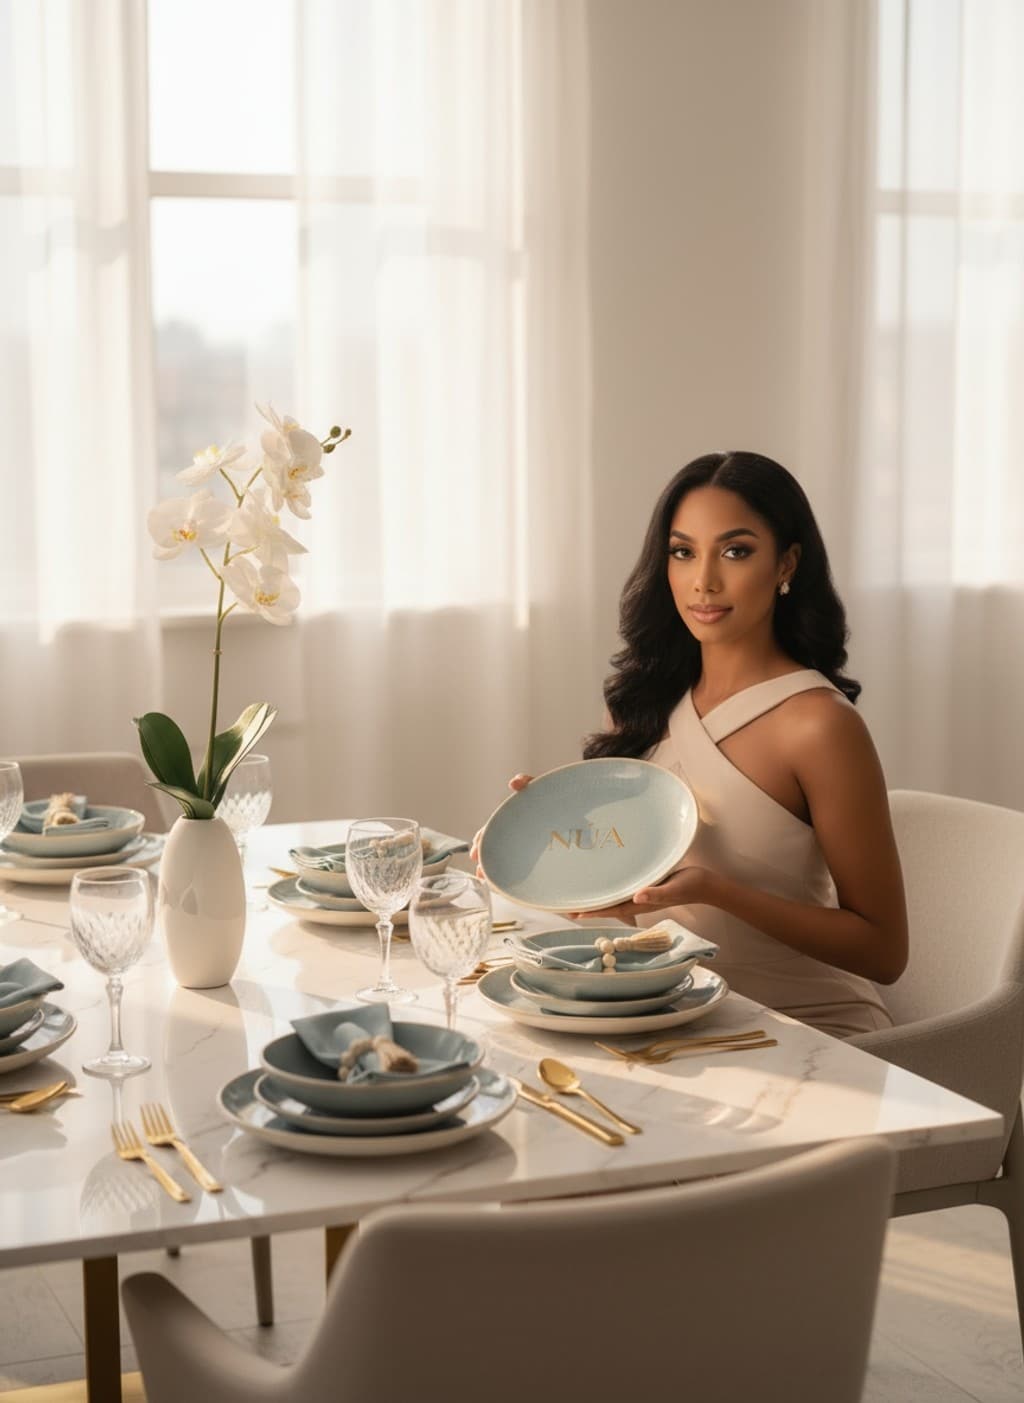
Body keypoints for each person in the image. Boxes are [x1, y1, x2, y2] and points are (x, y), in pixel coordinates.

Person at [488, 451, 907, 1039]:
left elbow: (884, 953)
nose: (703, 580)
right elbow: (633, 901)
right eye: (683, 552)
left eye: (735, 551)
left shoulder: (817, 726)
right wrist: (544, 838)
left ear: (787, 562)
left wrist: (720, 894)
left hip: (808, 1030)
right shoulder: (649, 701)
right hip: (670, 1011)